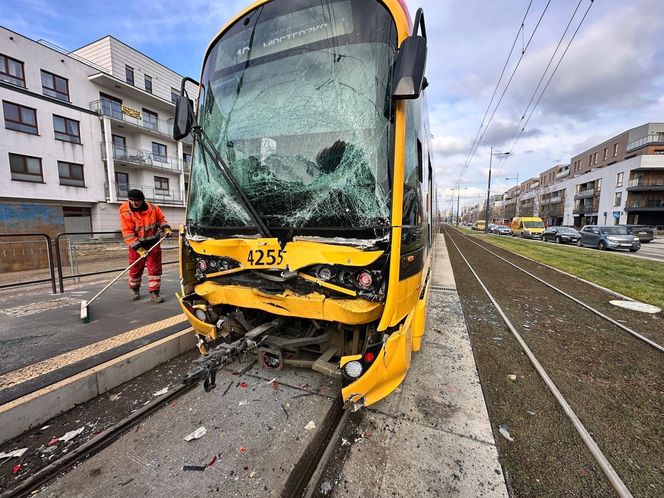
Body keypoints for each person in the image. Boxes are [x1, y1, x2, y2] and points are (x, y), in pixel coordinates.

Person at [119, 189, 173, 303]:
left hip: (153, 243)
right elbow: (128, 234)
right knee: (135, 269)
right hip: (136, 246)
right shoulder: (125, 212)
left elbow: (161, 220)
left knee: (155, 269)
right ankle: (135, 289)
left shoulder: (153, 209)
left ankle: (155, 293)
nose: (134, 203)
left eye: (137, 201)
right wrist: (139, 248)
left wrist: (166, 228)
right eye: (131, 200)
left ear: (142, 200)